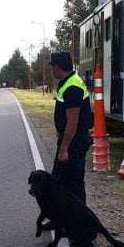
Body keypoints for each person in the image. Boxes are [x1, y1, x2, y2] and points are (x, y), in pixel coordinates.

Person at [48, 50, 93, 204]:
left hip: (75, 143)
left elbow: (72, 121)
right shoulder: (68, 81)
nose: (51, 69)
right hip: (70, 140)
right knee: (59, 181)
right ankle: (60, 218)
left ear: (57, 66)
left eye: (52, 66)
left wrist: (63, 149)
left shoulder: (73, 87)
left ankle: (80, 223)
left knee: (74, 184)